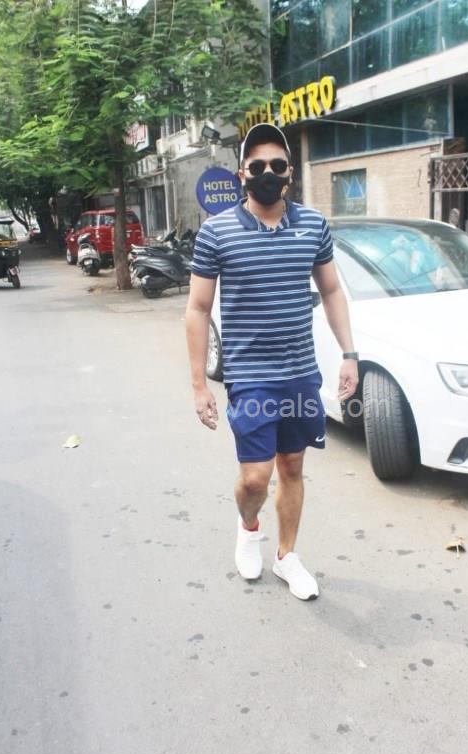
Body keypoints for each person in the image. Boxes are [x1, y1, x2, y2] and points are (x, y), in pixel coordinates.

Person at [185, 123, 358, 600]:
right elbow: (197, 308)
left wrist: (349, 354)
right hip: (251, 377)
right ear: (242, 173)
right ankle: (248, 527)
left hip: (300, 374)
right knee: (255, 478)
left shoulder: (313, 225)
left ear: (289, 173)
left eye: (277, 165)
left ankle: (286, 556)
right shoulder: (216, 232)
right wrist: (199, 385)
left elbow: (331, 290)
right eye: (257, 165)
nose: (267, 172)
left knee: (293, 467)